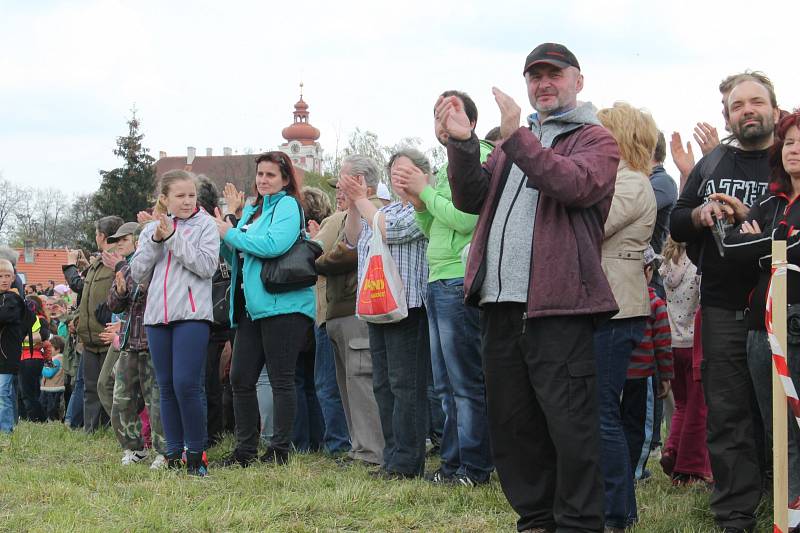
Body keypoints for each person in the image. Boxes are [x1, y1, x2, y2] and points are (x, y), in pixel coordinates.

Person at [436, 42, 620, 531]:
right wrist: (461, 143)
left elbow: (574, 185)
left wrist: (517, 138)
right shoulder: (511, 144)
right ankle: (536, 520)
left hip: (559, 309)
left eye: (554, 74)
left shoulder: (595, 140)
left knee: (570, 429)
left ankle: (579, 524)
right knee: (514, 427)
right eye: (535, 76)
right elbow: (473, 197)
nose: (544, 83)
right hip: (499, 307)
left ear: (578, 80)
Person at [669, 72, 780, 532]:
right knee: (729, 410)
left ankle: (784, 496)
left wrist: (747, 215)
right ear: (728, 114)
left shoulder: (790, 155)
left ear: (775, 108)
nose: (748, 110)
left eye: (757, 101)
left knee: (782, 411)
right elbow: (677, 222)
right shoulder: (712, 161)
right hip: (723, 307)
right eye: (739, 105)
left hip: (783, 308)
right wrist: (699, 213)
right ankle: (735, 511)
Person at [395, 89, 494, 487]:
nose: (441, 124)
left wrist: (426, 192)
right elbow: (434, 228)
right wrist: (421, 204)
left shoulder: (481, 154)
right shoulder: (445, 163)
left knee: (465, 382)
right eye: (436, 117)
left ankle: (474, 467)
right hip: (437, 278)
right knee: (445, 385)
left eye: (449, 114)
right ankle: (453, 465)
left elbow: (469, 219)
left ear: (468, 119)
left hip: (459, 278)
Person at [212, 151, 315, 467]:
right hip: (250, 307)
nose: (263, 180)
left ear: (285, 179)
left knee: (281, 379)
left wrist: (229, 232)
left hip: (283, 305)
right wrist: (224, 239)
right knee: (241, 378)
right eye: (260, 174)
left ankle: (279, 450)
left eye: (271, 175)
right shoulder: (252, 210)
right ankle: (245, 450)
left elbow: (274, 246)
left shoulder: (287, 206)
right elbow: (238, 256)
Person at [722, 110, 800, 509]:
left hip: (798, 327)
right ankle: (788, 513)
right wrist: (775, 244)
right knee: (777, 431)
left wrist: (763, 243)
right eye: (789, 142)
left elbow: (792, 251)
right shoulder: (771, 200)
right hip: (761, 332)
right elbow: (729, 249)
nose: (795, 150)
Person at [340, 149, 431, 479]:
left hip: (408, 307)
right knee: (383, 385)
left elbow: (389, 230)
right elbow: (352, 239)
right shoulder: (383, 208)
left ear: (424, 175)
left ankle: (408, 461)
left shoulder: (419, 212)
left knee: (405, 386)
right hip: (377, 308)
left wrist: (362, 199)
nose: (398, 177)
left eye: (406, 171)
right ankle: (392, 457)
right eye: (394, 172)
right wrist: (354, 202)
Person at [593, 102, 658, 530]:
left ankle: (617, 511)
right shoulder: (621, 181)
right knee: (598, 411)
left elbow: (591, 229)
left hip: (617, 309)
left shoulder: (631, 183)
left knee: (602, 413)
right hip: (607, 306)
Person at [130, 170, 219, 476]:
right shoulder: (151, 230)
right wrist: (156, 239)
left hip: (192, 316)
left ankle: (195, 454)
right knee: (165, 387)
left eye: (191, 195)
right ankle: (171, 453)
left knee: (186, 384)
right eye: (180, 196)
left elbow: (207, 266)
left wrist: (173, 238)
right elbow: (138, 273)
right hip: (157, 318)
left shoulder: (206, 225)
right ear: (164, 199)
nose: (187, 201)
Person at [316, 158, 386, 466]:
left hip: (361, 307)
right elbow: (347, 244)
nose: (338, 192)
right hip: (343, 308)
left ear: (362, 182)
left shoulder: (378, 209)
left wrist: (323, 261)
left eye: (343, 184)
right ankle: (361, 449)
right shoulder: (352, 213)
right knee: (349, 384)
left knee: (361, 381)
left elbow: (343, 253)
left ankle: (372, 452)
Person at [107, 222, 167, 469]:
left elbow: (151, 293)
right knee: (122, 399)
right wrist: (120, 291)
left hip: (152, 341)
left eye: (124, 239)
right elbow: (113, 303)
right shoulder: (126, 267)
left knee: (157, 402)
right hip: (130, 342)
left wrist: (129, 283)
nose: (119, 244)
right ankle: (135, 449)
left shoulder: (156, 261)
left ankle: (165, 451)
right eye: (117, 240)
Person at [63, 215, 124, 432]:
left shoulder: (117, 263)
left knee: (109, 388)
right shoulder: (97, 264)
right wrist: (78, 319)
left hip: (108, 336)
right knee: (90, 389)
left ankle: (115, 430)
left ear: (102, 236)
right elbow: (86, 294)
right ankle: (90, 430)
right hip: (89, 338)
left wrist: (70, 266)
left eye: (96, 234)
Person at [658, 236, 711, 485]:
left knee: (681, 404)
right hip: (693, 343)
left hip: (671, 343)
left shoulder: (667, 263)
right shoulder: (696, 266)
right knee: (697, 407)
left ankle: (672, 450)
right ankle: (690, 467)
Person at [621, 247, 672, 481]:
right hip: (642, 375)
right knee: (640, 425)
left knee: (614, 423)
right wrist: (666, 376)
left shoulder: (614, 299)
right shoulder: (654, 302)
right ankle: (636, 470)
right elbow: (663, 343)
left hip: (615, 374)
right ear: (648, 271)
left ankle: (617, 468)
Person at [0, 259, 36, 435]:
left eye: (7, 276)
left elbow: (4, 315)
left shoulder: (12, 298)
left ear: (14, 278)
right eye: (0, 276)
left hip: (7, 355)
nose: (4, 279)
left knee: (3, 392)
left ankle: (6, 431)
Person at [19, 294, 52, 423]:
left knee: (28, 394)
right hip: (28, 358)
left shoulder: (38, 320)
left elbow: (42, 337)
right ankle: (29, 418)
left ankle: (39, 420)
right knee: (28, 393)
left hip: (30, 358)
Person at [40, 335, 66, 421]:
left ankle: (53, 421)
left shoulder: (57, 360)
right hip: (49, 388)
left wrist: (42, 367)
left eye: (51, 347)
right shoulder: (53, 359)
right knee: (45, 406)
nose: (49, 350)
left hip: (54, 389)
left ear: (58, 349)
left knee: (52, 408)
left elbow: (49, 373)